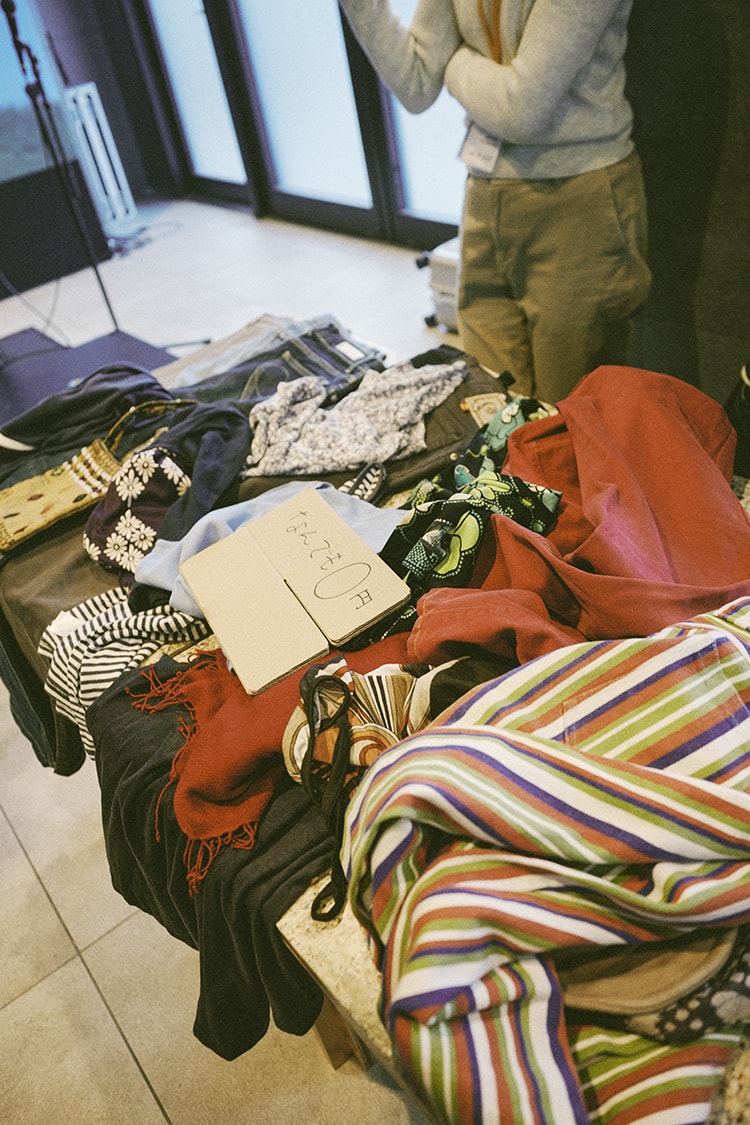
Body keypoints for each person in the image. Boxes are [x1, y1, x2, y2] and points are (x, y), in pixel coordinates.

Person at [338, 0, 652, 404]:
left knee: (567, 413)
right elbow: (416, 84)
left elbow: (521, 111)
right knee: (491, 403)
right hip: (486, 195)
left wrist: (454, 62)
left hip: (579, 201)